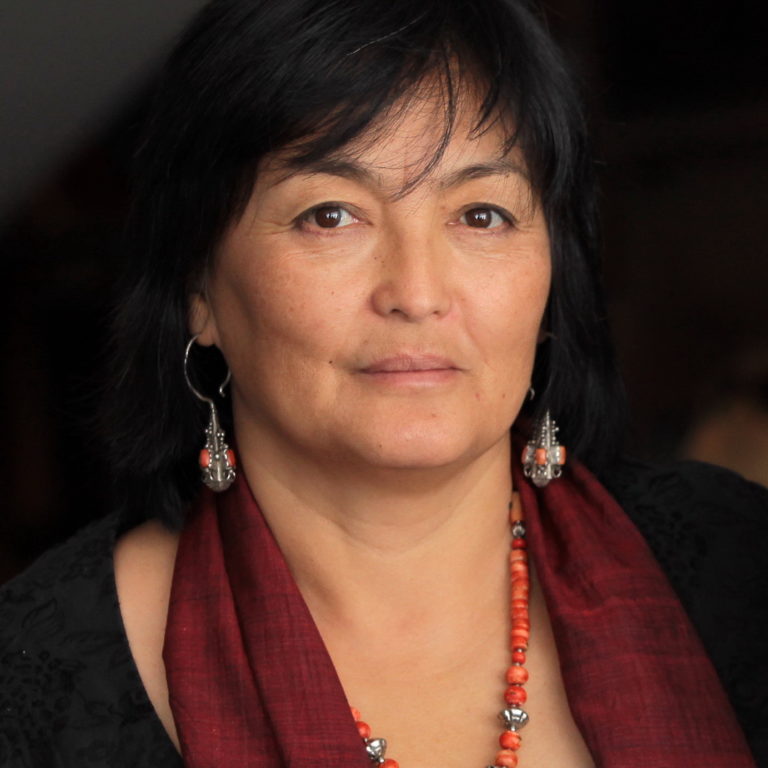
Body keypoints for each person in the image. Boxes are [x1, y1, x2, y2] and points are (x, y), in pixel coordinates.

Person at [1, 0, 766, 766]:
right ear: (198, 288)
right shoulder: (37, 685)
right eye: (331, 215)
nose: (417, 292)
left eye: (481, 215)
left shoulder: (738, 566)